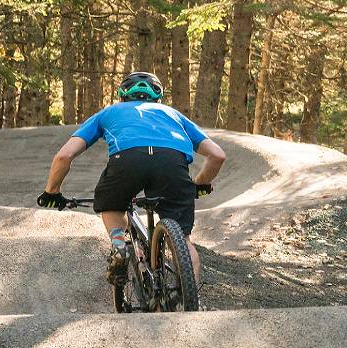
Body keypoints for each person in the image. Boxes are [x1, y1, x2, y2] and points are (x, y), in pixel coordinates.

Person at [37, 72, 229, 279]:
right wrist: (199, 184)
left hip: (127, 160)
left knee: (112, 205)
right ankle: (191, 305)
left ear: (122, 95)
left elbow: (64, 156)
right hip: (172, 164)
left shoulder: (109, 112)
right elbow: (217, 155)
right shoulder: (173, 115)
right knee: (182, 240)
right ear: (158, 97)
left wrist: (52, 192)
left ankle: (119, 244)